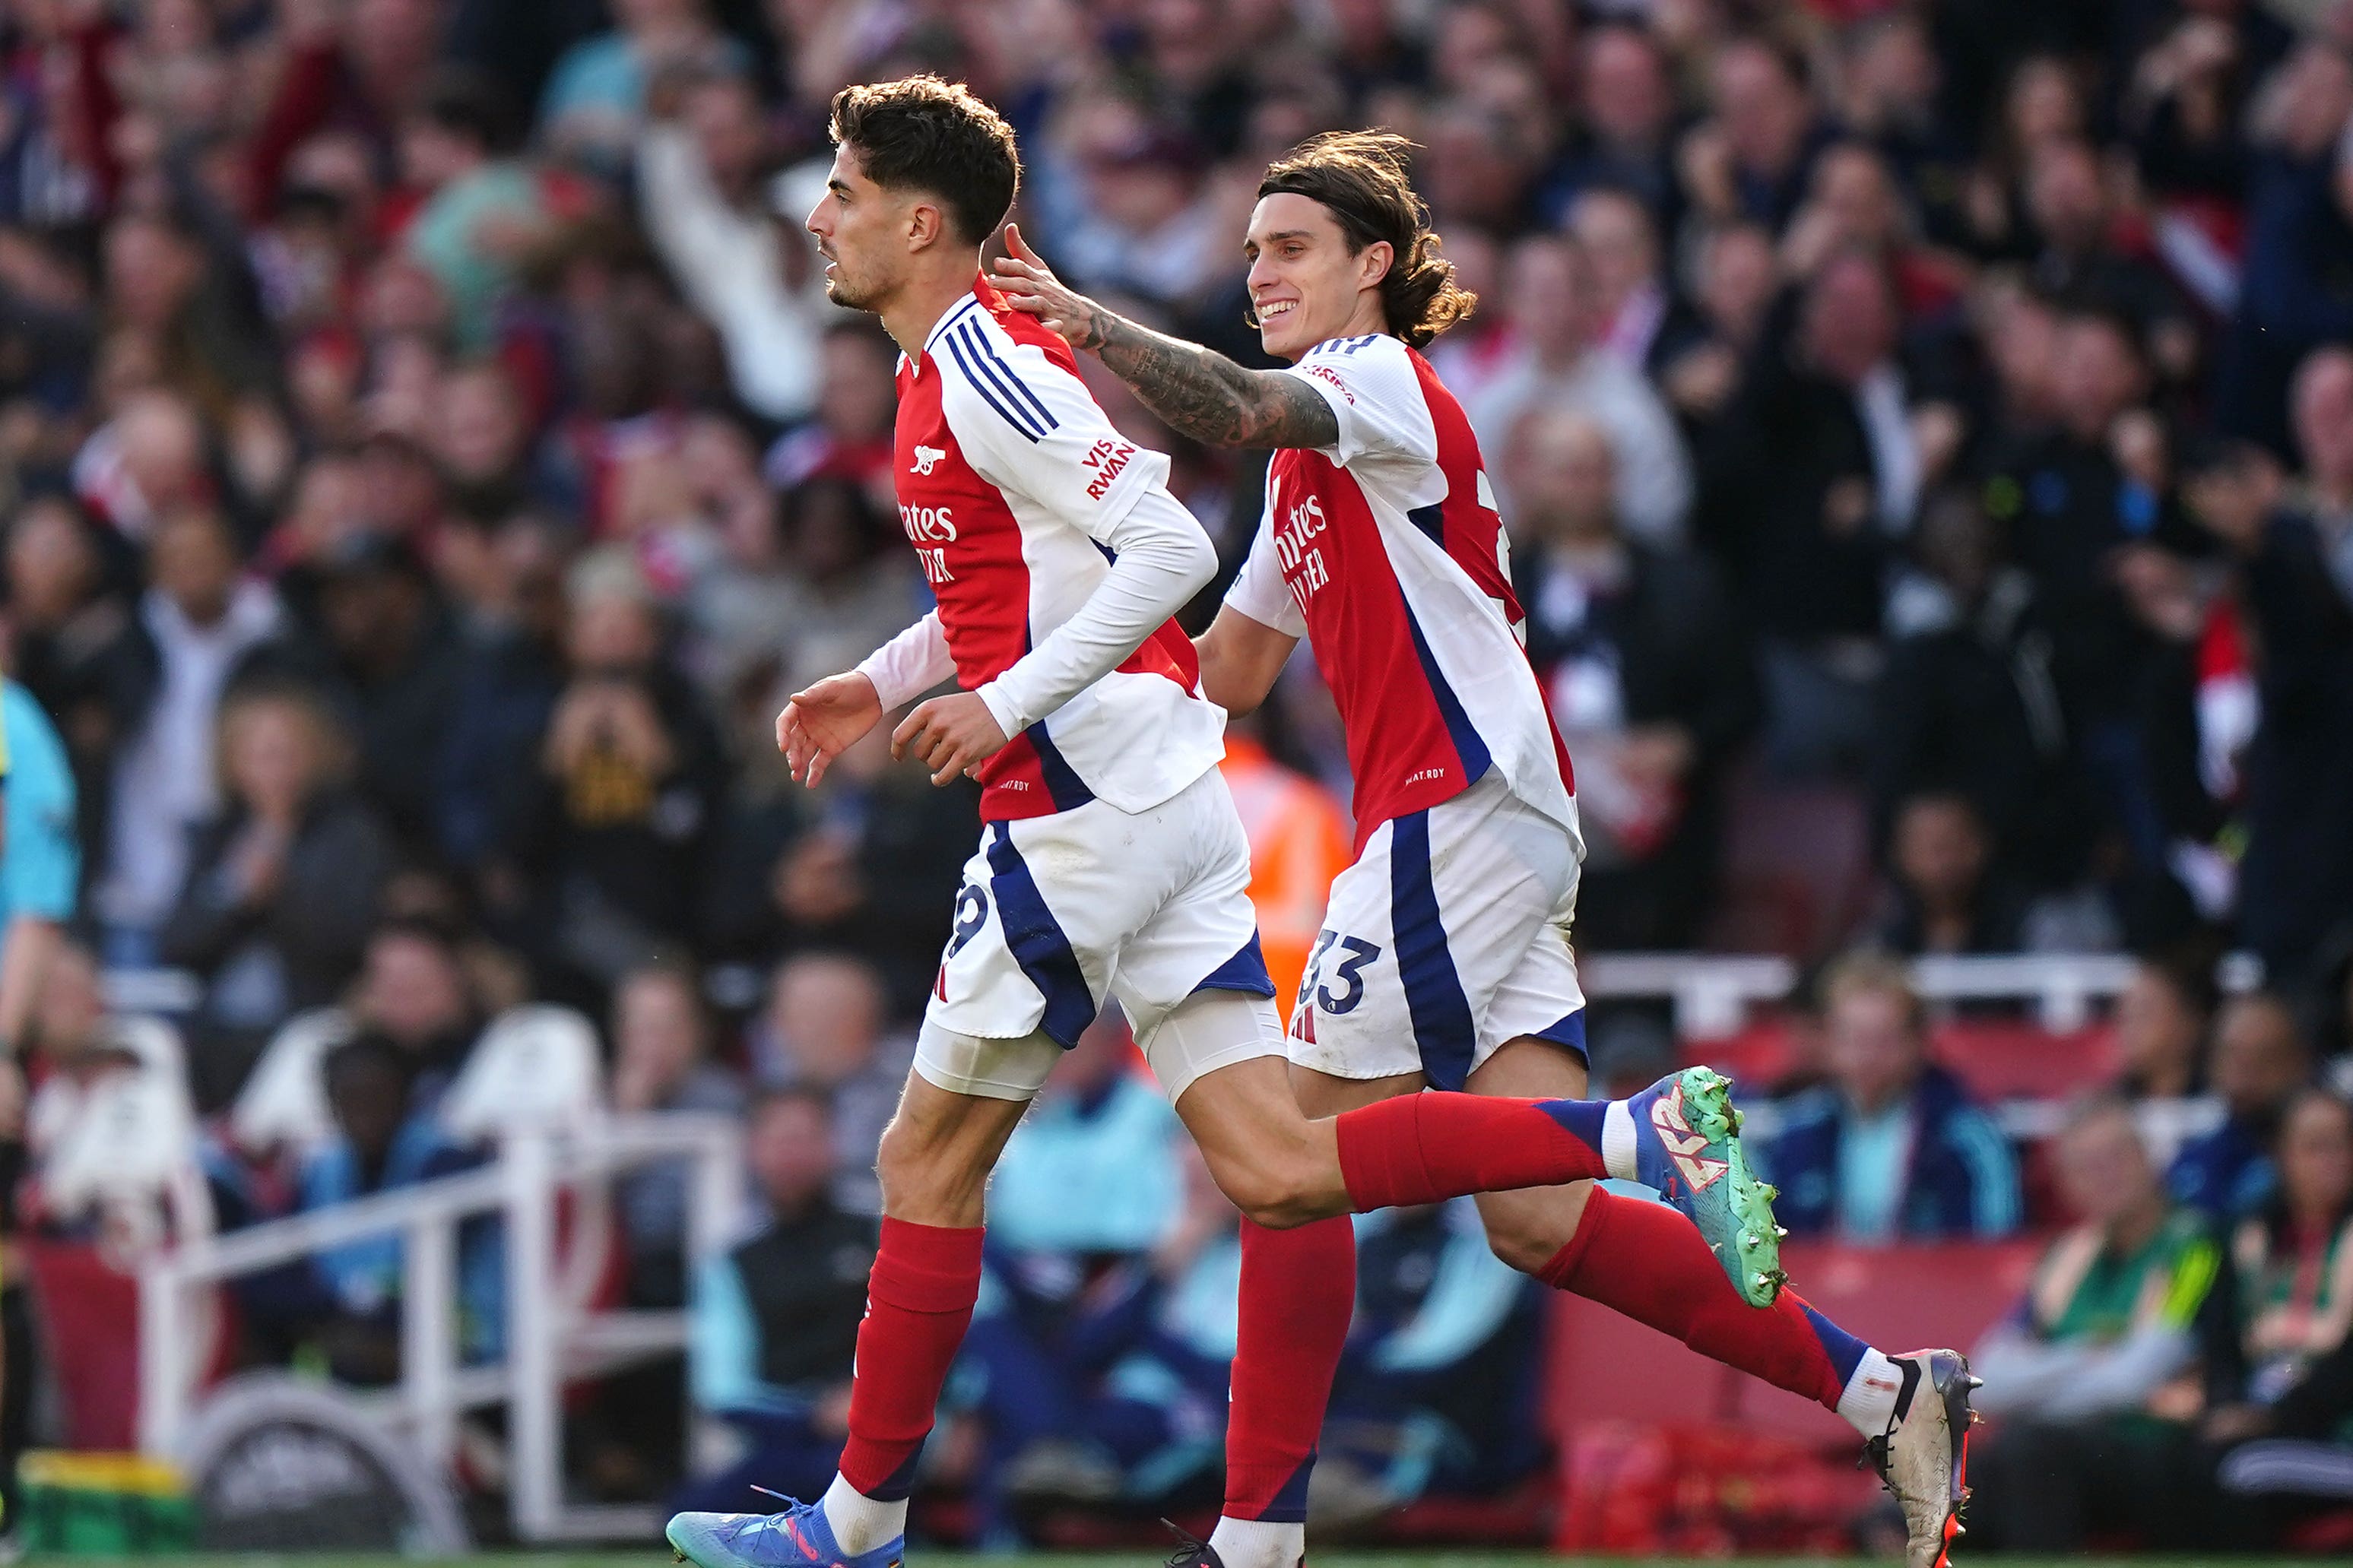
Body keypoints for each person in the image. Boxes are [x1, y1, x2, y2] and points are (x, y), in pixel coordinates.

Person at [664, 78, 1805, 1568]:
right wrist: (875, 681)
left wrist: (1004, 706)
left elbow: (1160, 541)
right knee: (1274, 1169)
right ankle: (1261, 1514)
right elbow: (1081, 587)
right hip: (1165, 798)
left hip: (1090, 809)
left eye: (841, 188)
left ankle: (855, 1524)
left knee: (921, 1163)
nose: (818, 214)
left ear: (920, 219)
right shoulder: (946, 376)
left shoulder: (997, 368)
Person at [997, 125, 1968, 1568]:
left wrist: (1084, 326)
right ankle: (1889, 1391)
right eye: (1253, 247)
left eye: (1289, 248)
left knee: (1288, 1160)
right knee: (1534, 1219)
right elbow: (1237, 671)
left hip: (1453, 807)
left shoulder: (1370, 385)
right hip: (1486, 820)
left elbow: (1251, 408)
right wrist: (1060, 652)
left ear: (1373, 267)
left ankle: (1257, 1534)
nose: (1258, 271)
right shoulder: (1307, 466)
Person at [1965, 1098, 2227, 1551]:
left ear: (2149, 1159)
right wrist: (2089, 1354)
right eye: (2087, 1166)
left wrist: (2037, 1390)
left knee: (2029, 1452)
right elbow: (1984, 1379)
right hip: (2061, 1440)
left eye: (2117, 1157)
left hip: (2157, 1447)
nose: (2106, 1175)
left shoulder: (2195, 1248)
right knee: (1938, 1482)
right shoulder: (2066, 1256)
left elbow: (2130, 1382)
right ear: (2067, 1186)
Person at [674, 1088, 876, 1514]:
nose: (793, 1155)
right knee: (686, 1517)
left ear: (832, 1145)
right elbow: (721, 1389)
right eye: (780, 1140)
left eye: (806, 1139)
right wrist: (816, 1417)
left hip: (887, 1432)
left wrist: (867, 1404)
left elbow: (934, 1343)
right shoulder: (733, 1258)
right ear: (754, 1149)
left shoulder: (879, 1234)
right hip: (785, 1441)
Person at [1762, 952, 2022, 1240]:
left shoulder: (1967, 1136)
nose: (1868, 1056)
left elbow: (1995, 1246)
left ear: (1917, 1043)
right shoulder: (1799, 1130)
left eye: (1884, 1039)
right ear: (1829, 1042)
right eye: (1854, 1038)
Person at [2171, 992, 2313, 1218]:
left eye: (2263, 1057)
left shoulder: (2321, 1157)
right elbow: (2188, 1247)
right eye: (2232, 1055)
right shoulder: (2195, 1163)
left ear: (2298, 1063)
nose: (2244, 1075)